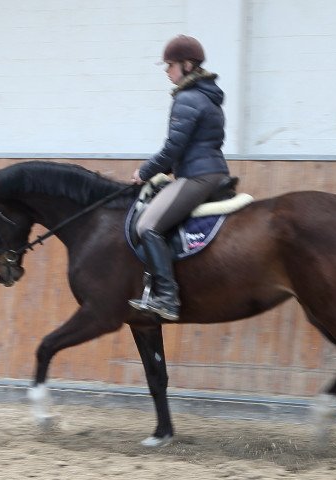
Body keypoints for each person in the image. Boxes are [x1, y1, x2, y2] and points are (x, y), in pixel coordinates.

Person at [128, 34, 230, 321]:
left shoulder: (187, 98)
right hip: (210, 170)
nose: (166, 70)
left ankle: (167, 298)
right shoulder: (208, 96)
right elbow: (192, 146)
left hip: (198, 176)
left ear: (187, 65)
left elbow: (174, 147)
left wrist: (144, 172)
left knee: (147, 225)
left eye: (170, 65)